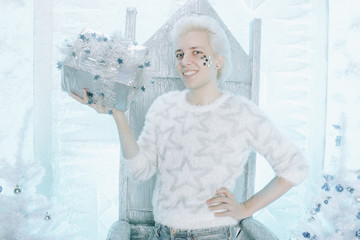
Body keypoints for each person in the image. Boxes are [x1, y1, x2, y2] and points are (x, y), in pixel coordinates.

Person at [70, 15, 308, 239]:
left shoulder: (241, 113)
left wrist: (245, 208)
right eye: (180, 54)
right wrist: (118, 115)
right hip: (162, 233)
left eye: (197, 52)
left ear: (218, 61)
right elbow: (140, 170)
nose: (185, 61)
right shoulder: (164, 107)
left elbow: (294, 168)